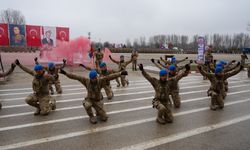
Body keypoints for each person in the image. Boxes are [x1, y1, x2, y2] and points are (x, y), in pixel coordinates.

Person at [59, 69, 128, 124]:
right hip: (89, 99)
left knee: (104, 118)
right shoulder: (86, 81)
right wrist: (65, 73)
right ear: (91, 78)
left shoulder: (100, 80)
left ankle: (98, 112)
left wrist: (120, 73)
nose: (94, 79)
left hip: (97, 100)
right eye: (93, 78)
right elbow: (76, 77)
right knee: (87, 105)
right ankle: (91, 116)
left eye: (95, 77)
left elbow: (110, 77)